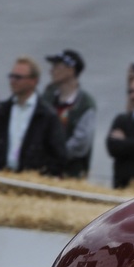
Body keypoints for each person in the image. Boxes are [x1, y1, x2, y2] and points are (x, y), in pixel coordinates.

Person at [0, 56, 66, 175]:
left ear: (34, 81)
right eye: (11, 76)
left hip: (30, 179)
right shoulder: (2, 111)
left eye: (18, 77)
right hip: (1, 174)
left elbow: (58, 154)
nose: (13, 81)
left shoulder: (47, 115)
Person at [41, 49, 95, 178]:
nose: (51, 71)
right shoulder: (47, 97)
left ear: (71, 70)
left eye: (56, 66)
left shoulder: (85, 104)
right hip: (44, 172)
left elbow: (81, 144)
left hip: (71, 175)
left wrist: (56, 154)